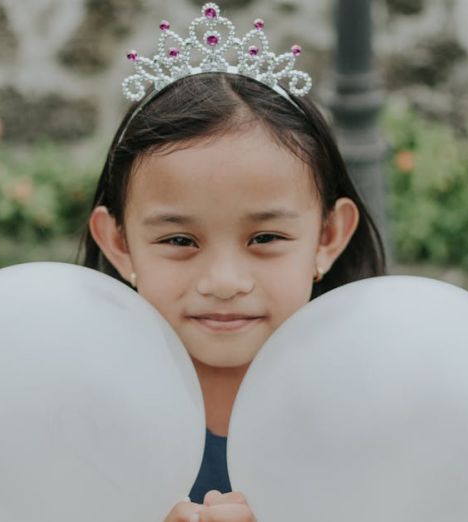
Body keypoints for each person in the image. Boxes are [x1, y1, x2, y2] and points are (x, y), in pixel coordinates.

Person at [78, 4, 386, 521]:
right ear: (119, 242)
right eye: (179, 240)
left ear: (328, 236)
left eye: (265, 237)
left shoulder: (368, 404)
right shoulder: (87, 403)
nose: (224, 282)